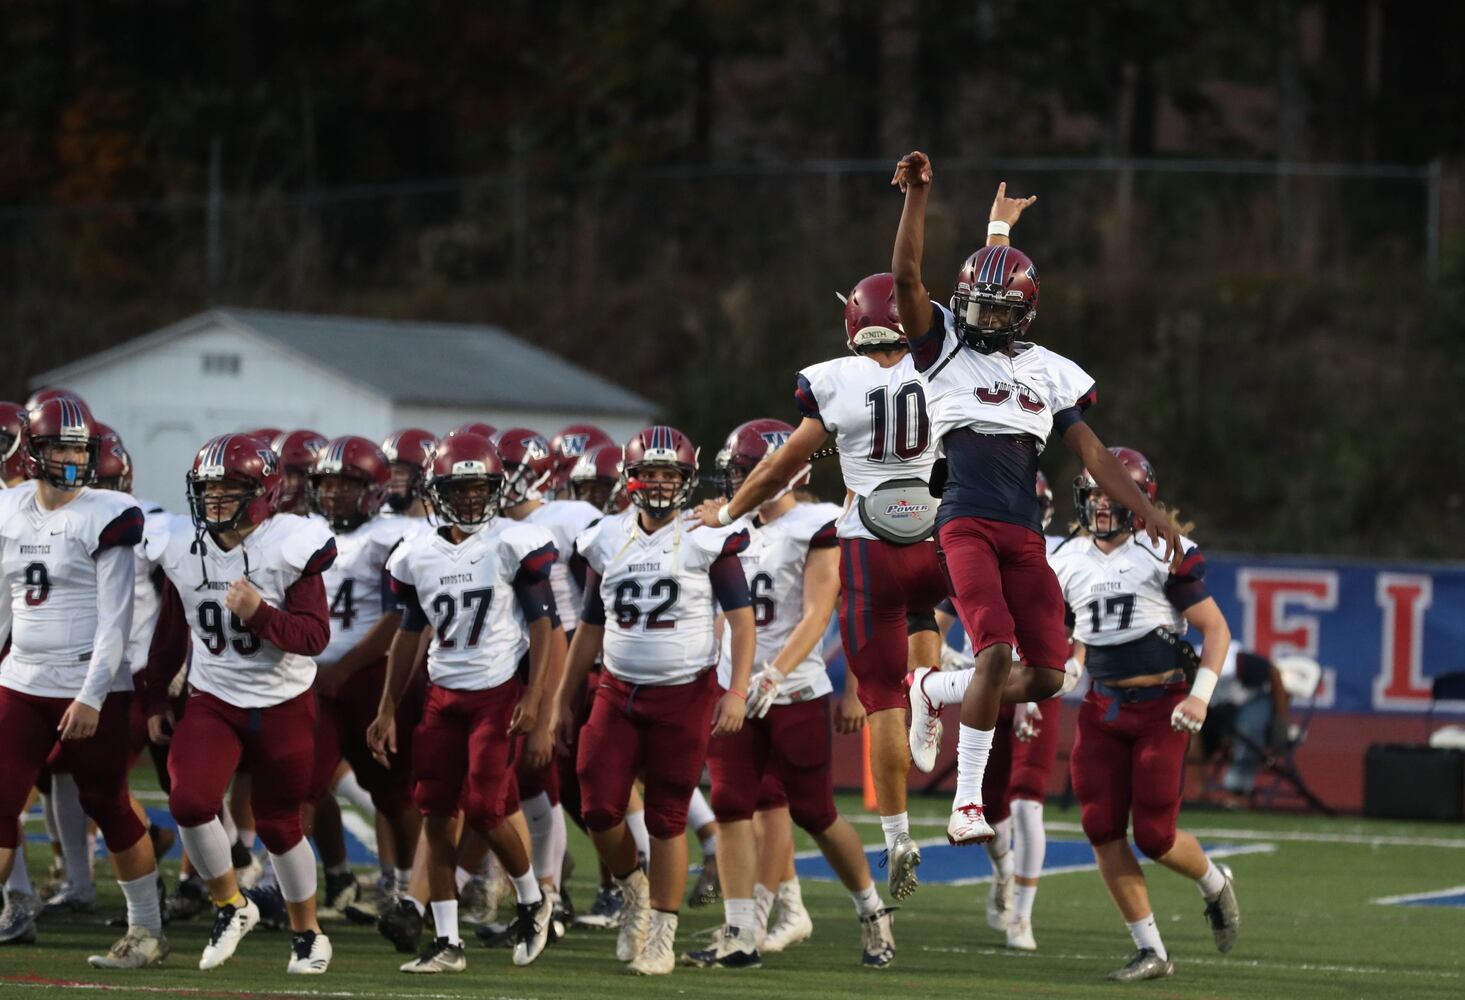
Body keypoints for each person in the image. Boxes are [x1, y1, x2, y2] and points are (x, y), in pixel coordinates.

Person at [888, 152, 1181, 846]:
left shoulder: (1050, 371)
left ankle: (931, 691)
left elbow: (1091, 453)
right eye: (974, 305)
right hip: (962, 522)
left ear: (1023, 314)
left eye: (996, 307)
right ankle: (964, 804)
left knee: (1049, 676)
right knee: (991, 653)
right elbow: (908, 277)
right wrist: (919, 198)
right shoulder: (945, 350)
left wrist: (1146, 511)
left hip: (1023, 533)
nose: (980, 314)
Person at [693, 273, 945, 901]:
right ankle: (935, 700)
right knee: (927, 620)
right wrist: (996, 235)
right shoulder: (946, 364)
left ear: (855, 324)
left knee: (882, 693)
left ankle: (896, 831)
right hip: (938, 533)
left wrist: (727, 514)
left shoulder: (834, 379)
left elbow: (781, 465)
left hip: (870, 535)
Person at [685, 419, 897, 970]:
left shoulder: (815, 523)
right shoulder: (725, 526)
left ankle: (872, 910)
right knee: (733, 807)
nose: (738, 481)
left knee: (815, 812)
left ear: (785, 472)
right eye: (735, 472)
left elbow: (819, 609)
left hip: (794, 687)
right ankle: (740, 932)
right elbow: (715, 615)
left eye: (747, 471)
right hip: (736, 690)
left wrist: (774, 673)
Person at [560, 425, 755, 975]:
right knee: (598, 808)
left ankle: (661, 935)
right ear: (631, 478)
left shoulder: (705, 535)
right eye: (651, 472)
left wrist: (736, 689)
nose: (661, 484)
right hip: (616, 689)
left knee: (668, 817)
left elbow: (742, 623)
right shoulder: (606, 537)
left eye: (672, 475)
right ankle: (633, 892)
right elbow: (589, 627)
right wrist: (560, 699)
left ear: (687, 481)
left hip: (685, 693)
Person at [144, 433, 337, 974]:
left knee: (279, 824)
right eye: (207, 490)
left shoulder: (291, 542)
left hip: (283, 701)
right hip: (215, 698)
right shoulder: (181, 545)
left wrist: (260, 614)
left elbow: (314, 636)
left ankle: (308, 935)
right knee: (189, 801)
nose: (214, 500)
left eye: (229, 489)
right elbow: (171, 625)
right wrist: (158, 692)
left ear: (262, 491)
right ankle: (231, 905)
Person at [368, 431, 558, 973]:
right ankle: (447, 941)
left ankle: (530, 900)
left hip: (495, 694)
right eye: (462, 488)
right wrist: (386, 707)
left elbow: (544, 625)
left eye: (482, 489)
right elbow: (408, 634)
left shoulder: (510, 543)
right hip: (440, 695)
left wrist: (536, 695)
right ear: (439, 489)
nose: (474, 499)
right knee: (434, 812)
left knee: (484, 809)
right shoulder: (417, 553)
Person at [1051, 447, 1240, 981]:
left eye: (1113, 497)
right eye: (1094, 496)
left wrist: (1199, 695)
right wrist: (1051, 679)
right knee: (1101, 827)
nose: (1102, 507)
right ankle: (1150, 949)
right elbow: (1067, 639)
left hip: (1162, 706)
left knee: (1155, 837)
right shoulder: (1062, 559)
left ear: (1140, 502)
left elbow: (1217, 631)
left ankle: (1214, 884)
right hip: (1102, 707)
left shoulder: (1161, 551)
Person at [0, 397, 167, 968]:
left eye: (79, 448)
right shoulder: (10, 507)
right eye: (60, 447)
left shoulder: (108, 511)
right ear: (33, 450)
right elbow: (5, 600)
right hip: (21, 678)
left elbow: (115, 617)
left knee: (107, 802)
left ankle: (145, 931)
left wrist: (92, 694)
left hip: (86, 683)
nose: (72, 458)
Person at [909, 471, 1069, 948]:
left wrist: (1072, 667)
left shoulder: (1057, 556)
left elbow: (1072, 636)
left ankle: (1021, 915)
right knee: (994, 808)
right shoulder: (976, 541)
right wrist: (943, 664)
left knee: (1026, 801)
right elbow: (936, 619)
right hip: (988, 683)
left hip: (1032, 685)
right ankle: (1003, 873)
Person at [301, 437, 421, 920]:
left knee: (396, 792)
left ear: (373, 490)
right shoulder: (302, 530)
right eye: (326, 484)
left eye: (346, 485)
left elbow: (400, 617)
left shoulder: (395, 535)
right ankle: (282, 887)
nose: (332, 494)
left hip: (373, 677)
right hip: (316, 678)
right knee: (302, 785)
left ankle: (410, 890)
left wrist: (344, 669)